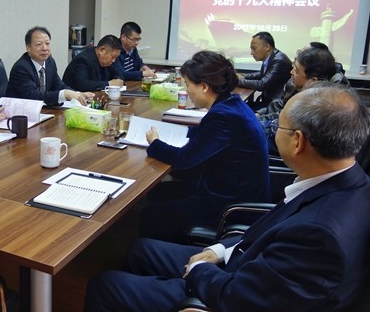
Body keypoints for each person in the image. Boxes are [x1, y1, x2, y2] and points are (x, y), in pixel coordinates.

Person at [85, 84, 370, 312]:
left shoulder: (318, 235)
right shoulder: (350, 184)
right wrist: (221, 249)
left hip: (230, 287)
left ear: (298, 141)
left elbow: (240, 297)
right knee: (141, 250)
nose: (271, 131)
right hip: (243, 260)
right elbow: (272, 233)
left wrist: (198, 270)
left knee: (106, 285)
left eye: (277, 127)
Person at [141, 50, 269, 242]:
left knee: (150, 215)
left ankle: (160, 252)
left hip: (231, 205)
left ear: (204, 87)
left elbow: (184, 160)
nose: (186, 91)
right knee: (159, 192)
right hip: (228, 188)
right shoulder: (231, 103)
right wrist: (180, 132)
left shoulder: (222, 116)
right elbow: (206, 136)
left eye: (188, 85)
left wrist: (155, 143)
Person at [258, 45, 346, 154]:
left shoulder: (320, 106)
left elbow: (287, 134)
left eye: (296, 71)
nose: (291, 72)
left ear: (313, 81)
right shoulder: (307, 92)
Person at [5, 26, 94, 106]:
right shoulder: (21, 68)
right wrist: (65, 94)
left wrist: (78, 94)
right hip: (19, 114)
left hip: (44, 112)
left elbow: (59, 86)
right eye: (39, 44)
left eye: (47, 43)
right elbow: (34, 96)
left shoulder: (49, 62)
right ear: (28, 48)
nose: (45, 48)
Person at [238, 31, 292, 110]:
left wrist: (237, 81)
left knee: (240, 108)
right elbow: (262, 74)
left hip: (274, 106)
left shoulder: (279, 60)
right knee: (240, 106)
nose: (251, 53)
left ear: (267, 47)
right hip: (268, 101)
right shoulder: (272, 57)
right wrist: (243, 76)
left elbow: (262, 84)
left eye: (254, 48)